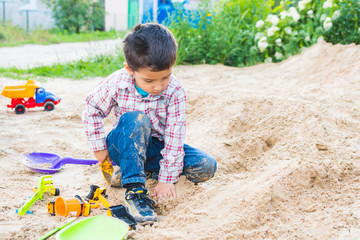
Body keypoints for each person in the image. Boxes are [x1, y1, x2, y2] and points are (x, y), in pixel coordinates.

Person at [82, 23, 217, 225]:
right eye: (149, 80)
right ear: (130, 70)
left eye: (165, 76)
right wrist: (99, 148)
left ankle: (137, 171)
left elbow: (174, 136)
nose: (158, 86)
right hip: (122, 144)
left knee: (206, 165)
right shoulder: (118, 82)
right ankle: (135, 191)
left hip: (155, 147)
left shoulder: (175, 90)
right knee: (136, 119)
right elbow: (92, 109)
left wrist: (166, 179)